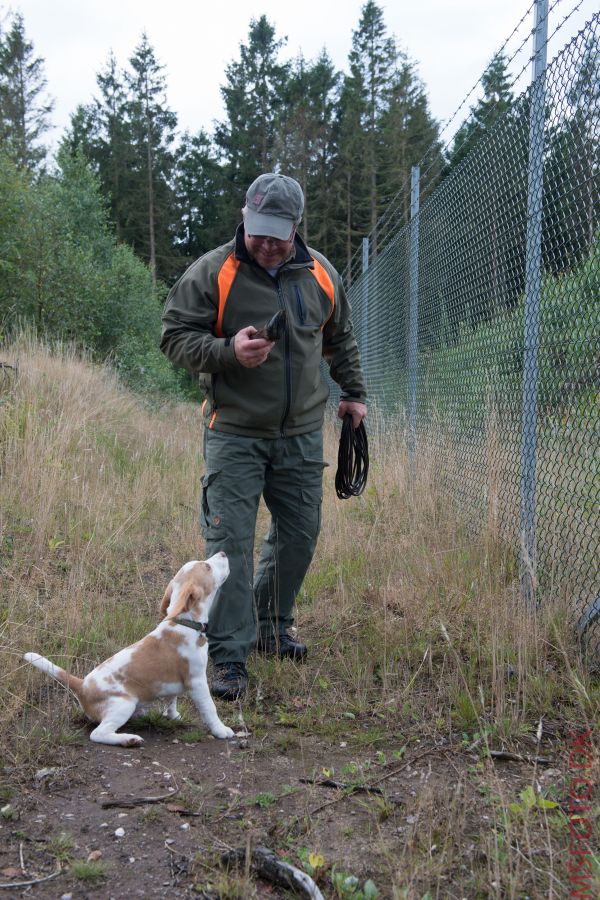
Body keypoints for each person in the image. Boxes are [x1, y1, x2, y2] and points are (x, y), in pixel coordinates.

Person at [160, 173, 367, 700]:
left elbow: (339, 337)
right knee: (229, 545)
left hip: (300, 434)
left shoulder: (321, 274)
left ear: (297, 227)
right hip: (234, 432)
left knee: (300, 533)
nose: (266, 243)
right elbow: (174, 337)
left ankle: (271, 628)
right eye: (258, 231)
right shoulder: (214, 271)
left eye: (277, 233)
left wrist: (353, 393)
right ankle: (228, 655)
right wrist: (229, 351)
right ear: (245, 220)